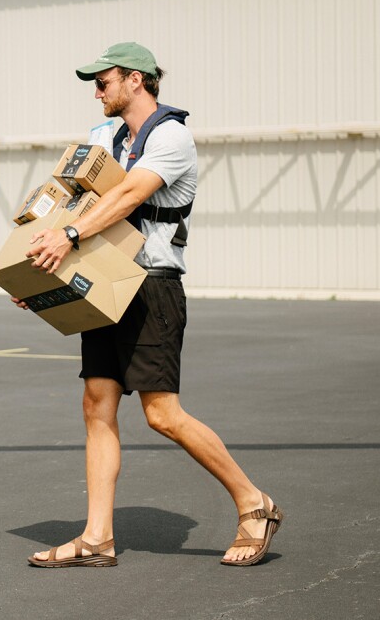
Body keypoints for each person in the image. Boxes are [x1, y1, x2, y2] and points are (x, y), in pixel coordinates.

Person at [15, 42, 283, 568]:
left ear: (136, 80)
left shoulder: (171, 136)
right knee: (97, 405)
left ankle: (255, 504)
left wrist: (66, 235)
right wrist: (36, 274)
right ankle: (97, 539)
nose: (97, 91)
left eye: (104, 81)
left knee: (162, 414)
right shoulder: (104, 139)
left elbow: (129, 196)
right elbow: (73, 201)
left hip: (152, 285)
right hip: (106, 283)